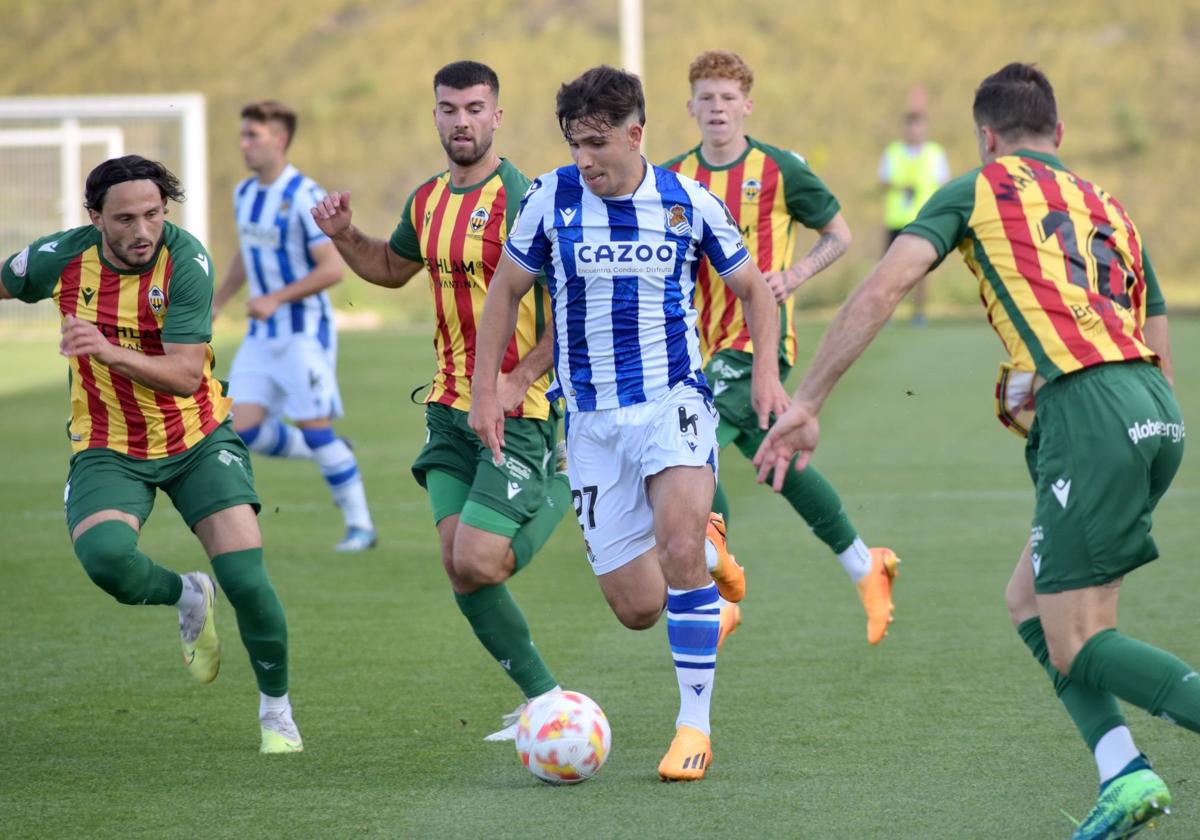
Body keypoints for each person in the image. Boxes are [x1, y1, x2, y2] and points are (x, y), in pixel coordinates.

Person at [755, 63, 1193, 838]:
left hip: (1088, 413)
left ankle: (1139, 759)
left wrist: (810, 398)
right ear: (1058, 134)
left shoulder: (980, 186)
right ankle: (1124, 772)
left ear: (986, 138)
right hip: (1154, 410)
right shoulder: (1107, 204)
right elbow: (1151, 327)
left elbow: (883, 289)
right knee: (1033, 603)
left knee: (1080, 642)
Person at [470, 64, 790, 781]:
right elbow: (506, 290)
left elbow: (754, 292)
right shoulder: (551, 199)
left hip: (671, 402)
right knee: (639, 608)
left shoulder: (688, 202)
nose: (585, 159)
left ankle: (692, 730)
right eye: (574, 144)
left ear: (635, 133)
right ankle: (710, 559)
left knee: (674, 550)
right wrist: (489, 390)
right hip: (589, 424)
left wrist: (766, 374)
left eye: (597, 143)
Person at [0, 155, 302, 753]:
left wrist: (105, 350)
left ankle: (277, 713)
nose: (143, 231)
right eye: (125, 219)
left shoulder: (185, 261)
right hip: (108, 443)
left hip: (196, 436)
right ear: (95, 218)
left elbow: (188, 375)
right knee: (107, 559)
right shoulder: (60, 258)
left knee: (246, 578)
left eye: (154, 215)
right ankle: (186, 594)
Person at [309, 60, 573, 740]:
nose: (462, 121)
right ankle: (543, 699)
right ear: (435, 115)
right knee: (460, 571)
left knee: (480, 560)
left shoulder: (530, 198)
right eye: (449, 108)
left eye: (475, 108)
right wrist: (344, 236)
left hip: (521, 411)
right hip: (447, 409)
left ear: (498, 116)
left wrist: (523, 378)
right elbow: (393, 268)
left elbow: (575, 306)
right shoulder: (427, 200)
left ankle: (565, 488)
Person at [663, 49, 899, 646]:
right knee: (776, 458)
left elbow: (839, 235)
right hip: (694, 346)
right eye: (706, 97)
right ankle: (863, 565)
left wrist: (795, 277)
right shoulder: (669, 178)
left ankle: (719, 593)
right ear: (690, 106)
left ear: (747, 105)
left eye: (727, 98)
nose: (717, 107)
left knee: (687, 441)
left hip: (757, 342)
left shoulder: (778, 170)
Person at [212, 100, 376, 553]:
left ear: (280, 140)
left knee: (315, 426)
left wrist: (276, 297)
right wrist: (218, 302)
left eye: (254, 136)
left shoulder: (305, 196)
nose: (244, 144)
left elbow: (332, 270)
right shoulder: (245, 194)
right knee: (235, 427)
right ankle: (328, 450)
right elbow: (247, 252)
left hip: (303, 334)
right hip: (261, 337)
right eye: (243, 134)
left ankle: (360, 527)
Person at [877, 91, 950, 325]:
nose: (914, 131)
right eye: (910, 127)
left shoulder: (934, 153)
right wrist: (901, 186)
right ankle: (886, 312)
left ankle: (918, 313)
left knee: (921, 271)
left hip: (923, 219)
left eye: (918, 126)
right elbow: (883, 180)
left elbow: (943, 183)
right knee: (888, 269)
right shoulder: (893, 152)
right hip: (896, 218)